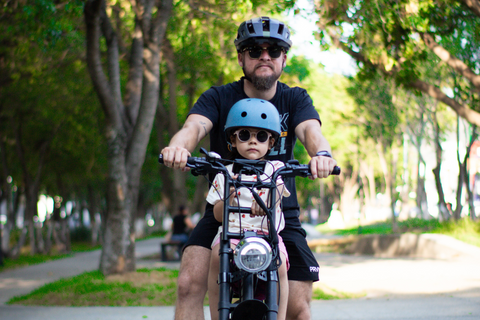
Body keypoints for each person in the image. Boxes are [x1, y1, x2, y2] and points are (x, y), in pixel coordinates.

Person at [161, 16, 337, 320]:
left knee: (299, 307)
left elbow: (312, 133)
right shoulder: (218, 97)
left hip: (280, 214)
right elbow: (194, 127)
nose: (264, 56)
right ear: (242, 57)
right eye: (255, 50)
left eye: (274, 50)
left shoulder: (295, 98)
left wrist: (321, 154)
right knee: (189, 285)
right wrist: (179, 148)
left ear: (284, 57)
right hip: (222, 210)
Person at [207, 99, 291, 320]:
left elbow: (278, 194)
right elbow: (217, 214)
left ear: (271, 142)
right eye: (245, 135)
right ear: (233, 139)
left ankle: (279, 317)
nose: (253, 141)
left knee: (280, 265)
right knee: (216, 257)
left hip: (266, 236)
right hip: (232, 236)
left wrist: (267, 202)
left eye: (261, 136)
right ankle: (218, 315)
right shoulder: (224, 173)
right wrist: (228, 201)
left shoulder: (275, 170)